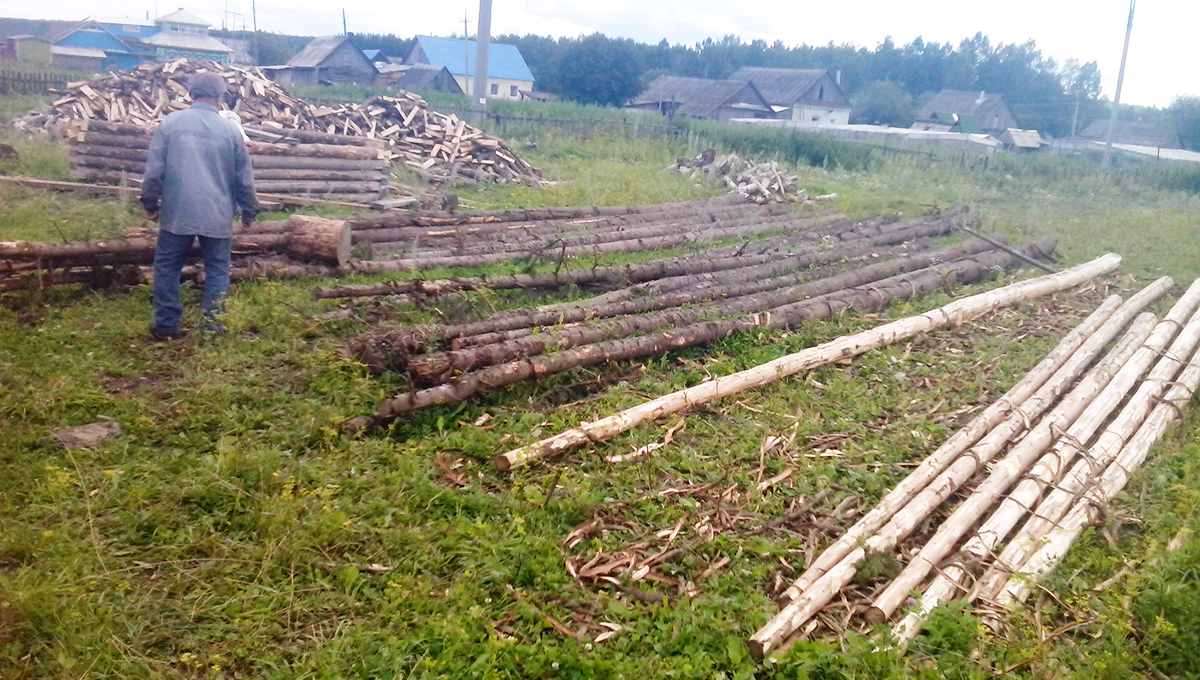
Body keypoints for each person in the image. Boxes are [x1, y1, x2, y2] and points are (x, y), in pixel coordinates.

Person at [141, 72, 259, 339]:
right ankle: (212, 328)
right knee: (217, 270)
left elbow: (153, 172)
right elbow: (244, 178)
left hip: (177, 213)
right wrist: (249, 212)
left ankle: (167, 326)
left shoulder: (171, 123)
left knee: (167, 267)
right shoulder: (230, 131)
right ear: (220, 97)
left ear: (191, 94)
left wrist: (150, 203)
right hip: (217, 214)